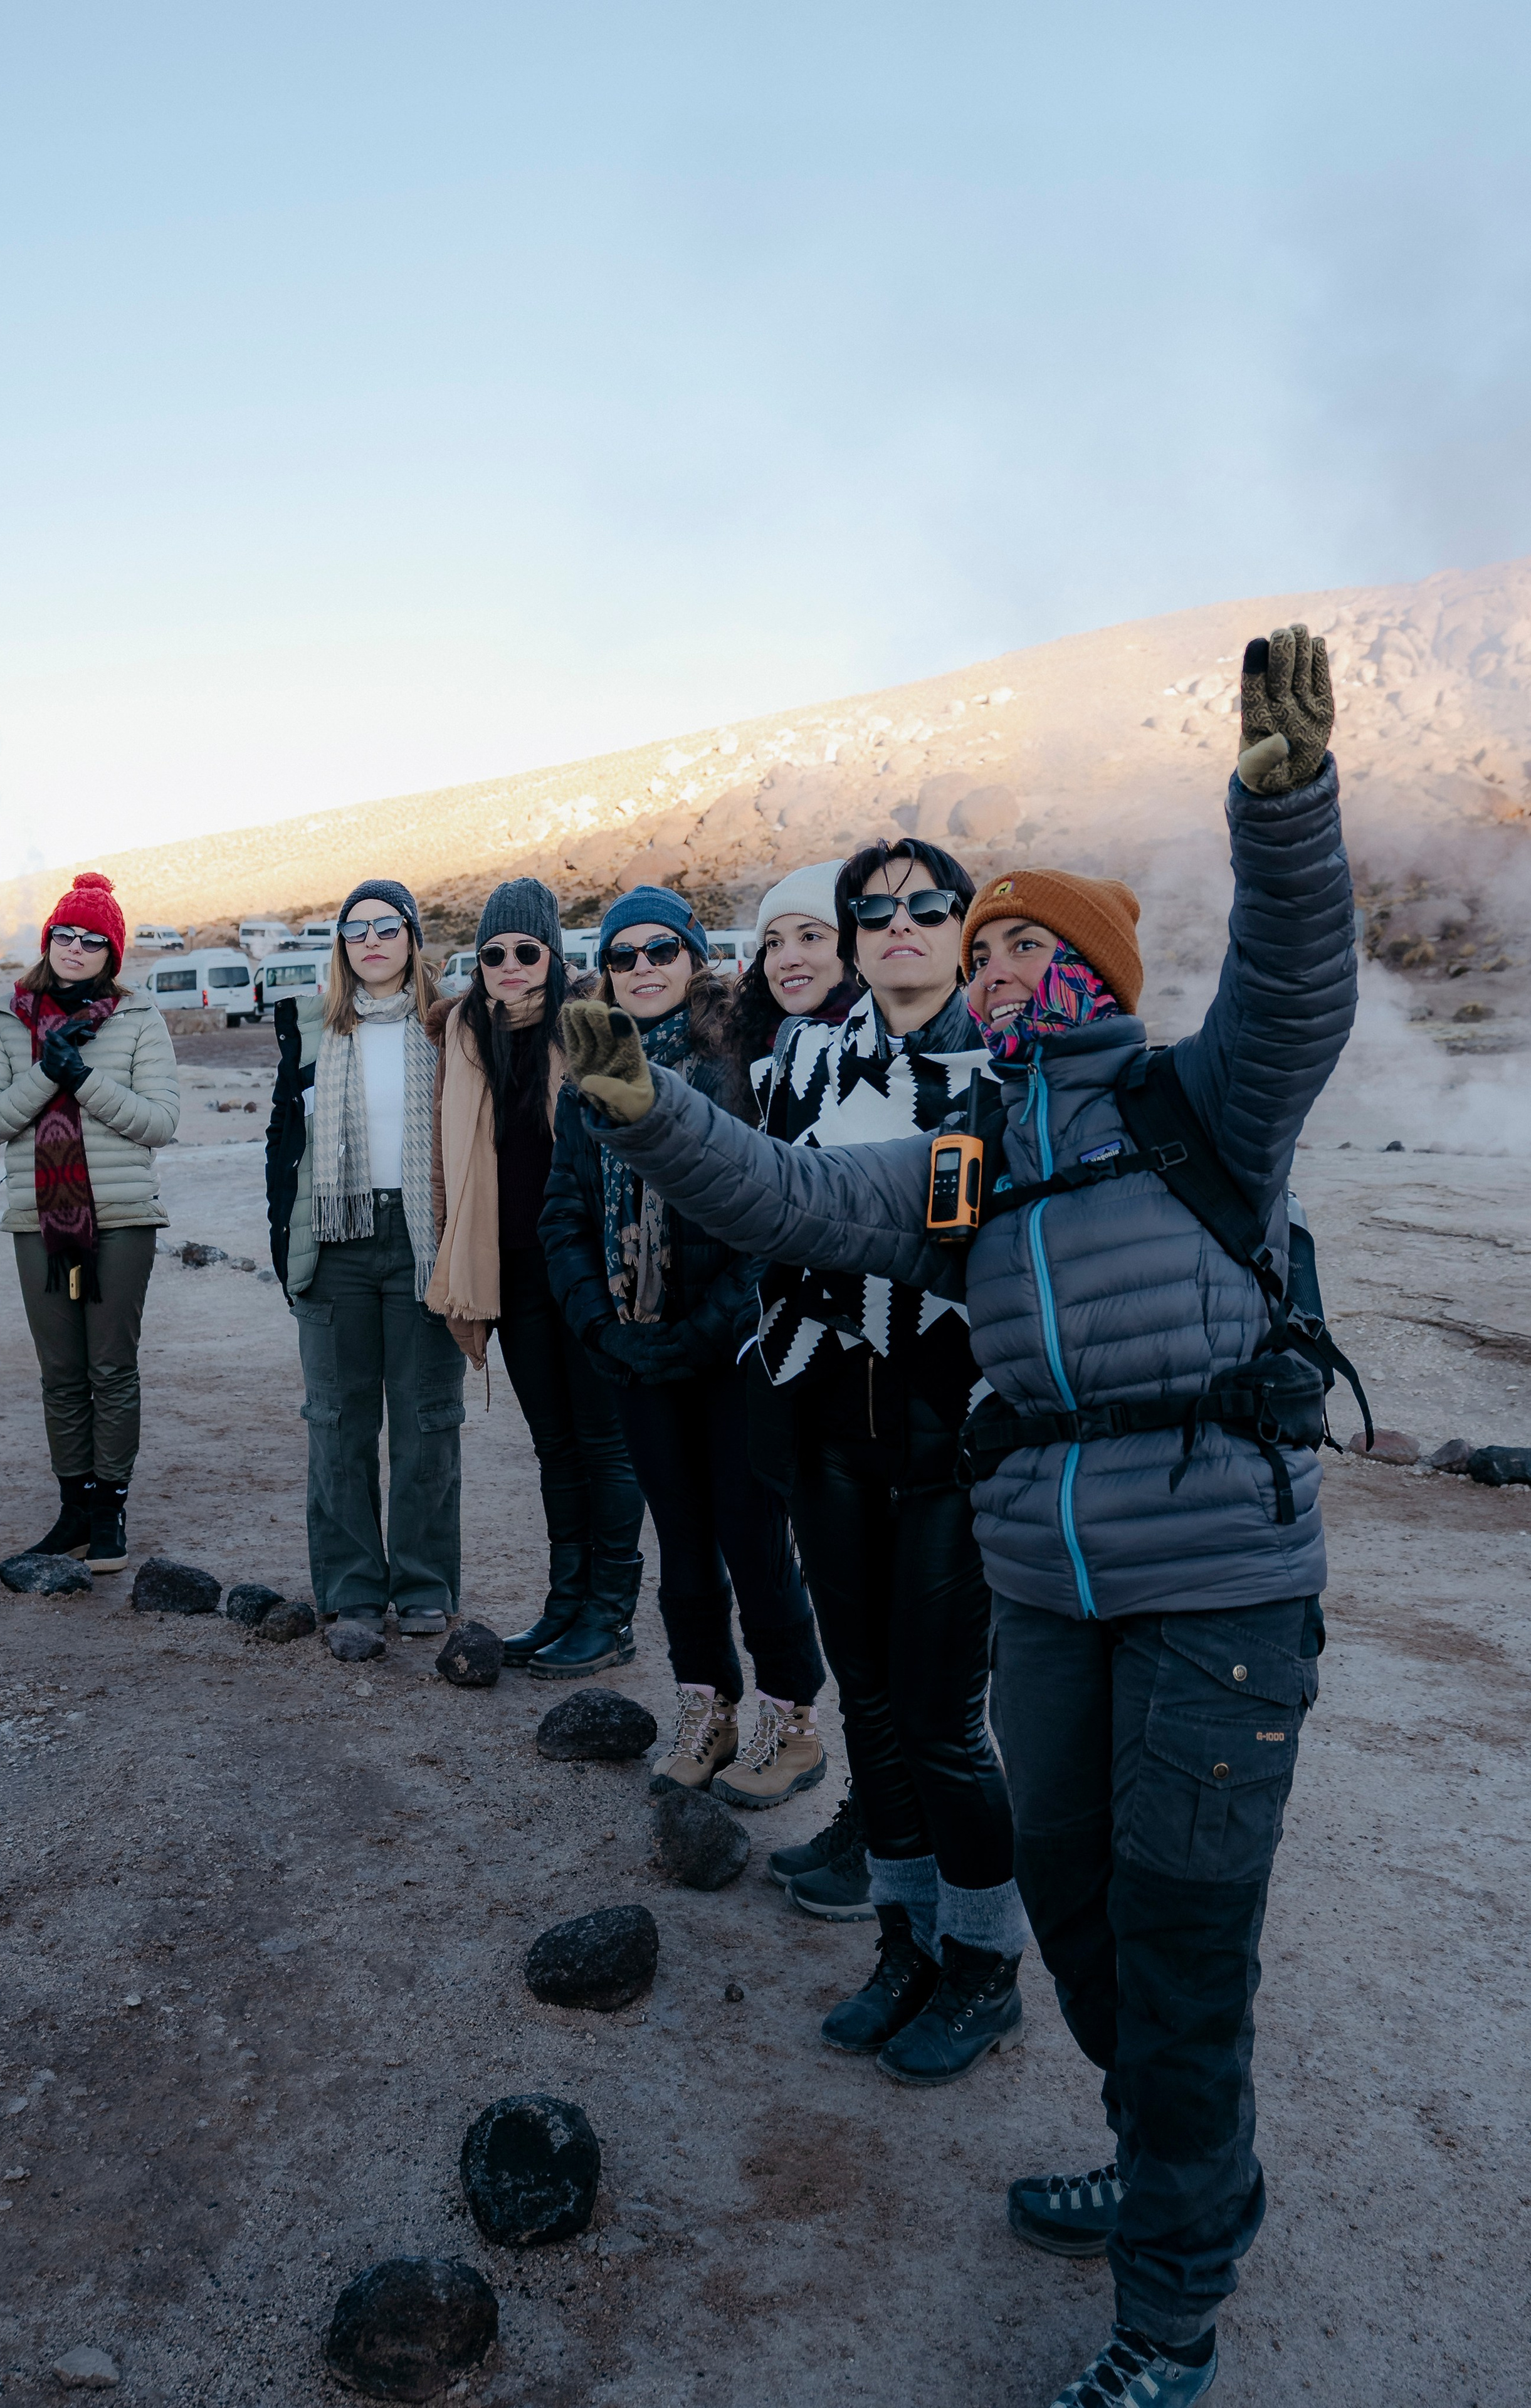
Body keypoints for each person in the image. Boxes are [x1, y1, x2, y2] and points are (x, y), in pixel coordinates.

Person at [556, 628, 1352, 2407]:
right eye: (977, 945)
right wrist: (644, 1110)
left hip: (1219, 1583)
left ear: (1097, 969)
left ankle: (1166, 2309)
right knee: (1074, 1905)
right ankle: (1174, 2172)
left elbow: (1298, 985)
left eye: (1021, 941)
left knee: (1181, 1929)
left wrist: (1283, 804)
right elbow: (786, 1189)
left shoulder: (1198, 1101)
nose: (992, 965)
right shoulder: (971, 1158)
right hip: (1054, 1588)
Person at [715, 836, 1032, 2084]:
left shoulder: (1011, 1070)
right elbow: (762, 1216)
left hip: (953, 1433)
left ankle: (982, 1967)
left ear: (960, 928)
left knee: (946, 1718)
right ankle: (900, 1944)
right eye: (873, 913)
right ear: (848, 942)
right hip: (826, 1420)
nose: (899, 925)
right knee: (874, 1703)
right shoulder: (798, 1060)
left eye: (925, 907)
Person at [539, 885, 827, 1801]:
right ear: (607, 972)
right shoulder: (586, 1081)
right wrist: (599, 1326)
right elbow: (563, 1217)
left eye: (662, 950)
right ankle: (707, 1707)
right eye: (624, 956)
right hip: (634, 1352)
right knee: (683, 1543)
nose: (644, 968)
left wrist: (705, 1333)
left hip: (734, 1355)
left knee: (753, 1537)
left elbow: (768, 1224)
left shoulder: (741, 1062)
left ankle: (791, 1720)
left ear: (694, 957)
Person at [424, 877, 645, 1671]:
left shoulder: (593, 1025)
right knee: (554, 1444)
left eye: (526, 950)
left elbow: (637, 1140)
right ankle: (566, 1603)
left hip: (584, 1268)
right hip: (508, 1266)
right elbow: (449, 1166)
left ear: (553, 954)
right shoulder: (461, 1036)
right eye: (494, 953)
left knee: (604, 1442)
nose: (510, 965)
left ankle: (611, 1616)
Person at [0, 871, 180, 1574]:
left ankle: (111, 1510)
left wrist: (83, 1079)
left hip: (120, 1221)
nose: (77, 948)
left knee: (111, 1367)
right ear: (48, 940)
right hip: (41, 1225)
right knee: (61, 1372)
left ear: (112, 953)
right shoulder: (6, 1022)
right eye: (66, 935)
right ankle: (73, 1512)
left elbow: (161, 1122)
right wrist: (45, 1075)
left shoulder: (139, 1020)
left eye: (93, 940)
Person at [264, 878, 465, 1637]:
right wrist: (286, 1244)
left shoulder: (451, 1028)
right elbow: (284, 1147)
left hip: (425, 1240)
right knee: (337, 1423)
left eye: (387, 927)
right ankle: (351, 1590)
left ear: (414, 937)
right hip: (337, 1240)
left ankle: (423, 1584)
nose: (372, 941)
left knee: (426, 1422)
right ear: (342, 946)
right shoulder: (310, 1029)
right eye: (357, 930)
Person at [713, 860, 860, 1115]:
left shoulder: (890, 1050)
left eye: (810, 937)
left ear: (853, 949)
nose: (787, 960)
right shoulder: (741, 1056)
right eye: (774, 943)